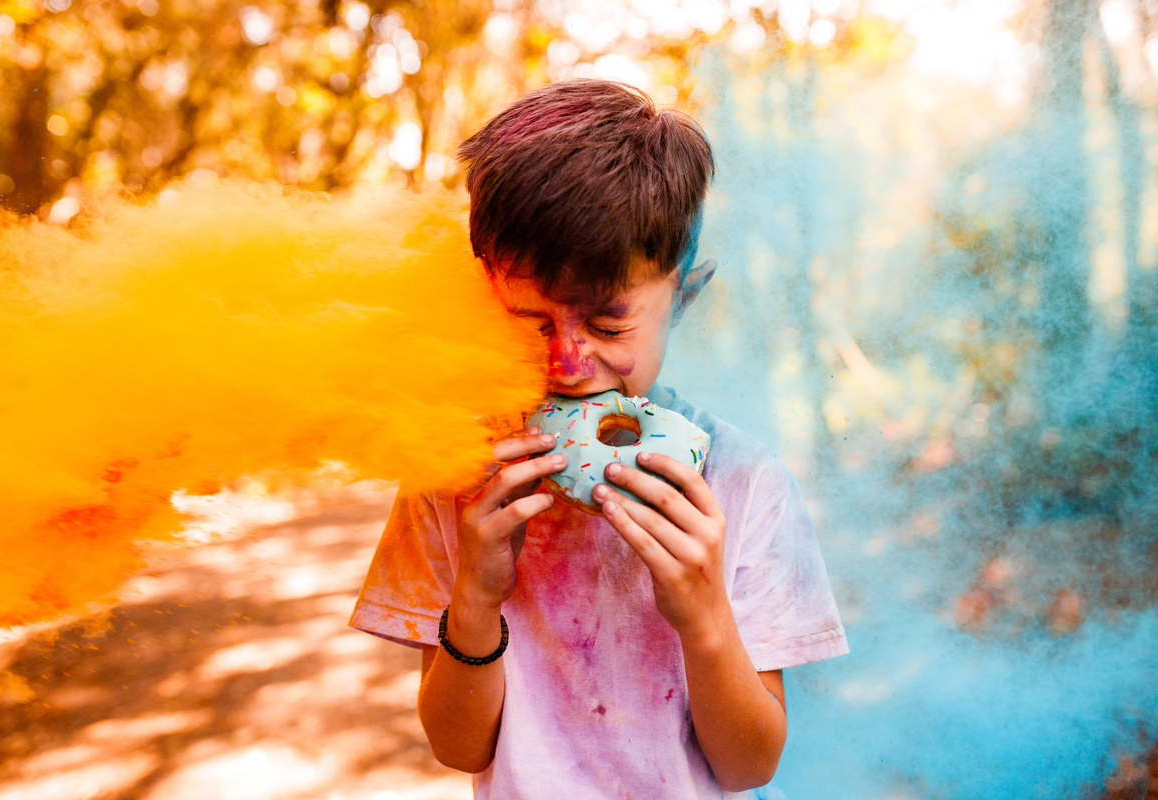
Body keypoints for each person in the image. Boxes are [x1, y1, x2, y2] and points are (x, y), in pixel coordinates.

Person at [350, 79, 848, 798]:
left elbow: (750, 766)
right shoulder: (453, 475)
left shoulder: (745, 484)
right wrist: (476, 598)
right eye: (532, 323)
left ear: (683, 295)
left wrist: (704, 617)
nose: (568, 363)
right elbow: (459, 749)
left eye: (609, 325)